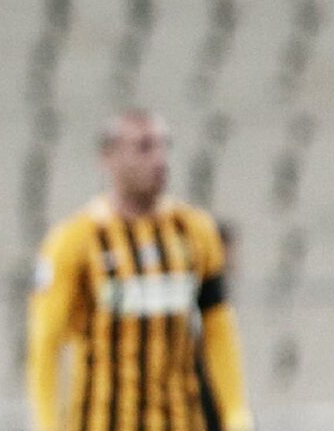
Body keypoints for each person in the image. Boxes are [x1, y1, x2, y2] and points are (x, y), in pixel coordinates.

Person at [26, 110, 252, 431]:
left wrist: (235, 412)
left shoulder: (196, 231)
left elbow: (219, 329)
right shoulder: (75, 240)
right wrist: (47, 425)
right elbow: (46, 343)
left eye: (164, 146)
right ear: (109, 158)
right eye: (144, 147)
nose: (160, 159)